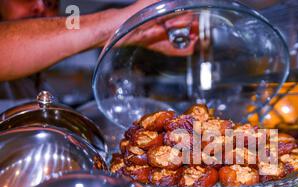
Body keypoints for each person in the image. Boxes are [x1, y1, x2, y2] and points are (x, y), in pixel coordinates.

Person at [0, 0, 196, 109]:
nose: (40, 7)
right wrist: (123, 20)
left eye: (51, 3)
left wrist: (139, 32)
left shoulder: (40, 83)